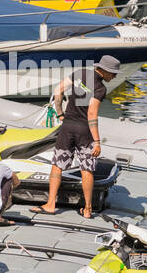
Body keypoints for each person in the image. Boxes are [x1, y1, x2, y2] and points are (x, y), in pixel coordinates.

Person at [35, 55, 120, 219]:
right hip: (84, 131)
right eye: (113, 73)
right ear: (105, 71)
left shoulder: (80, 73)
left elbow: (58, 90)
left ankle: (50, 204)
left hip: (67, 126)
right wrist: (97, 141)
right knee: (87, 169)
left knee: (57, 165)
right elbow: (91, 113)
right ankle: (87, 210)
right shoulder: (100, 88)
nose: (115, 76)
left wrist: (60, 114)